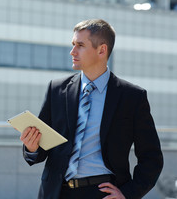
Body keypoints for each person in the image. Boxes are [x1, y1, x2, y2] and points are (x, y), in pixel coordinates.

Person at [20, 19, 163, 199]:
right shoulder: (57, 89)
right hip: (56, 192)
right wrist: (32, 147)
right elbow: (41, 150)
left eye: (80, 45)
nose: (72, 51)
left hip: (102, 193)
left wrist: (128, 194)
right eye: (73, 44)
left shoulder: (132, 97)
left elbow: (151, 157)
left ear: (102, 50)